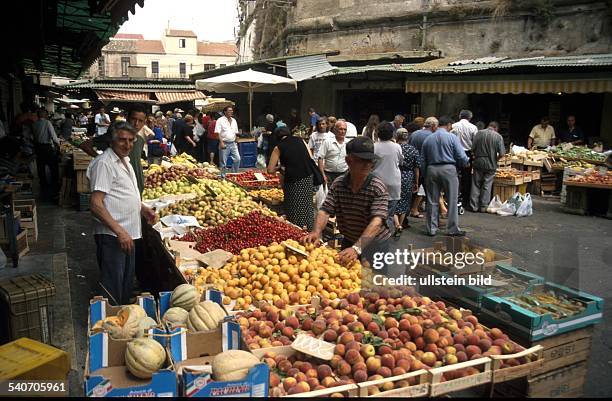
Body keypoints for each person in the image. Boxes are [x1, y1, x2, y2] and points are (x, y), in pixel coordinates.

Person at [87, 121, 156, 305]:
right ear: (111, 140)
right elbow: (95, 203)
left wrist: (142, 208)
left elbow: (125, 193)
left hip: (127, 234)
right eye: (122, 140)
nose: (127, 145)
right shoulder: (104, 164)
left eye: (131, 140)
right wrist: (119, 231)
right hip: (113, 236)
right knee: (112, 287)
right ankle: (109, 327)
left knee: (124, 284)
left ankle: (122, 319)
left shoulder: (125, 161)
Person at [303, 136, 391, 273]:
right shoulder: (339, 184)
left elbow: (377, 221)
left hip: (375, 244)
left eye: (370, 161)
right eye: (362, 160)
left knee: (374, 284)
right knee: (347, 280)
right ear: (349, 160)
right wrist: (316, 231)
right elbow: (325, 210)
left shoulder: (377, 187)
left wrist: (357, 248)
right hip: (349, 239)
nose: (368, 165)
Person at [421, 116, 469, 237]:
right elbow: (461, 156)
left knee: (432, 200)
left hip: (432, 169)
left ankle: (431, 228)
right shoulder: (452, 137)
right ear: (448, 125)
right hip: (449, 169)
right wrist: (464, 163)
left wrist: (425, 173)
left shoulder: (428, 139)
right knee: (452, 199)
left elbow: (423, 160)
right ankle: (452, 228)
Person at [267, 126, 315, 231]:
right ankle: (308, 230)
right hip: (307, 178)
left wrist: (279, 168)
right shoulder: (301, 140)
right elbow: (311, 158)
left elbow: (270, 170)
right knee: (307, 206)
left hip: (292, 181)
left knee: (293, 207)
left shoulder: (278, 147)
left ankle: (295, 231)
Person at [372, 122, 404, 236]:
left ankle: (374, 235)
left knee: (376, 214)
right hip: (394, 183)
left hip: (377, 183)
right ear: (392, 134)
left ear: (378, 134)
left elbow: (371, 164)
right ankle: (387, 237)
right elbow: (401, 161)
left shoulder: (374, 147)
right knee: (389, 214)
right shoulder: (397, 147)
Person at [470, 121, 505, 213]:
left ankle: (473, 206)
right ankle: (483, 206)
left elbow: (472, 149)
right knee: (487, 184)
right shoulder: (498, 137)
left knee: (476, 184)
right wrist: (495, 159)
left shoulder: (479, 133)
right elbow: (502, 153)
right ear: (496, 128)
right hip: (491, 163)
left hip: (478, 162)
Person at [408, 116, 438, 219]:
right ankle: (432, 219)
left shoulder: (414, 134)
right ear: (433, 126)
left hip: (413, 166)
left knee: (412, 191)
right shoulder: (432, 137)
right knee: (430, 193)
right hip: (426, 168)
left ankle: (406, 215)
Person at [395, 128, 420, 234]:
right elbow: (417, 167)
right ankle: (401, 224)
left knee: (394, 200)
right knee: (405, 201)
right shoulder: (413, 150)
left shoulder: (395, 148)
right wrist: (416, 181)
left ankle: (395, 223)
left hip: (396, 174)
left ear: (397, 137)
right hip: (408, 176)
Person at [451, 110, 478, 207]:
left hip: (455, 153)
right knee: (466, 176)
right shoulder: (473, 127)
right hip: (468, 153)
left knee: (455, 174)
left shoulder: (453, 126)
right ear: (470, 118)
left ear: (459, 116)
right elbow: (475, 142)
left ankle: (455, 196)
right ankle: (465, 198)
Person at [32, 109, 60, 199]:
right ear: (45, 115)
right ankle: (54, 184)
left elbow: (32, 136)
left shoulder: (34, 124)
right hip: (46, 147)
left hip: (38, 147)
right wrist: (58, 144)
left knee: (40, 166)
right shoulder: (47, 123)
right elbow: (53, 135)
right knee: (53, 165)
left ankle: (43, 183)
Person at [317, 121, 349, 186]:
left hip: (343, 175)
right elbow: (320, 158)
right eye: (340, 129)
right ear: (335, 130)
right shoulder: (327, 142)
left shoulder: (348, 143)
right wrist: (322, 175)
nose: (343, 131)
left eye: (344, 129)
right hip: (328, 175)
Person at [215, 106, 240, 174]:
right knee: (223, 162)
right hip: (224, 143)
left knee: (237, 159)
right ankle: (223, 176)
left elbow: (235, 132)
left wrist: (236, 139)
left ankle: (234, 174)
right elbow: (218, 133)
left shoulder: (234, 120)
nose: (231, 112)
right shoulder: (220, 120)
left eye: (232, 110)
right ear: (225, 112)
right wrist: (221, 142)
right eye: (229, 110)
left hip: (233, 143)